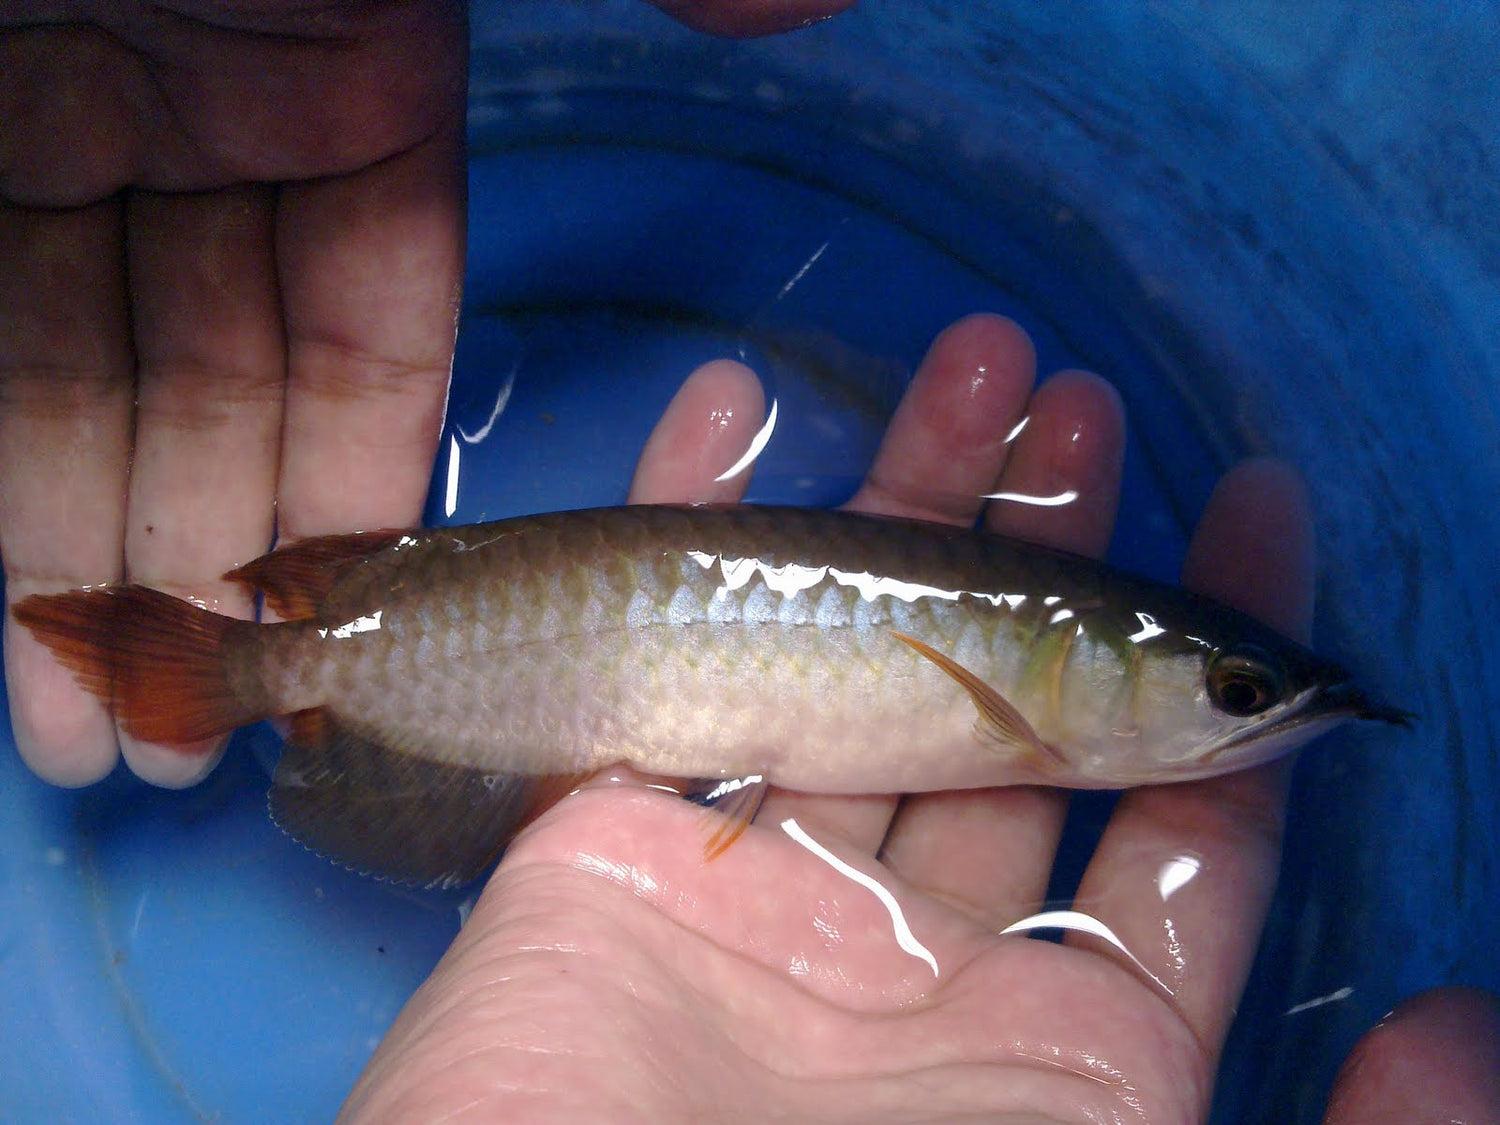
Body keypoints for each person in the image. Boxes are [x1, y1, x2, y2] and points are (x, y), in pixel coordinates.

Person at [1, 3, 1494, 1122]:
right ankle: (227, 670)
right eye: (1229, 688)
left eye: (1237, 688)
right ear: (1078, 658)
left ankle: (241, 669)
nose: (1244, 706)